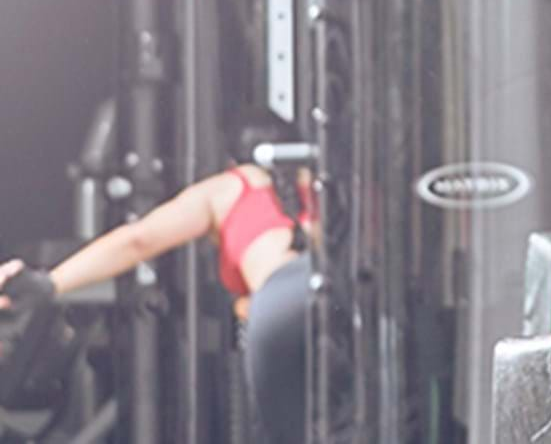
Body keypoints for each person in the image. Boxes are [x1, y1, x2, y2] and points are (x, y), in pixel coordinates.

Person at [0, 138, 317, 442]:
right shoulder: (323, 183)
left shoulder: (228, 186)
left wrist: (51, 282)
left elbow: (139, 240)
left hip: (277, 303)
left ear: (233, 159)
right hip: (332, 295)